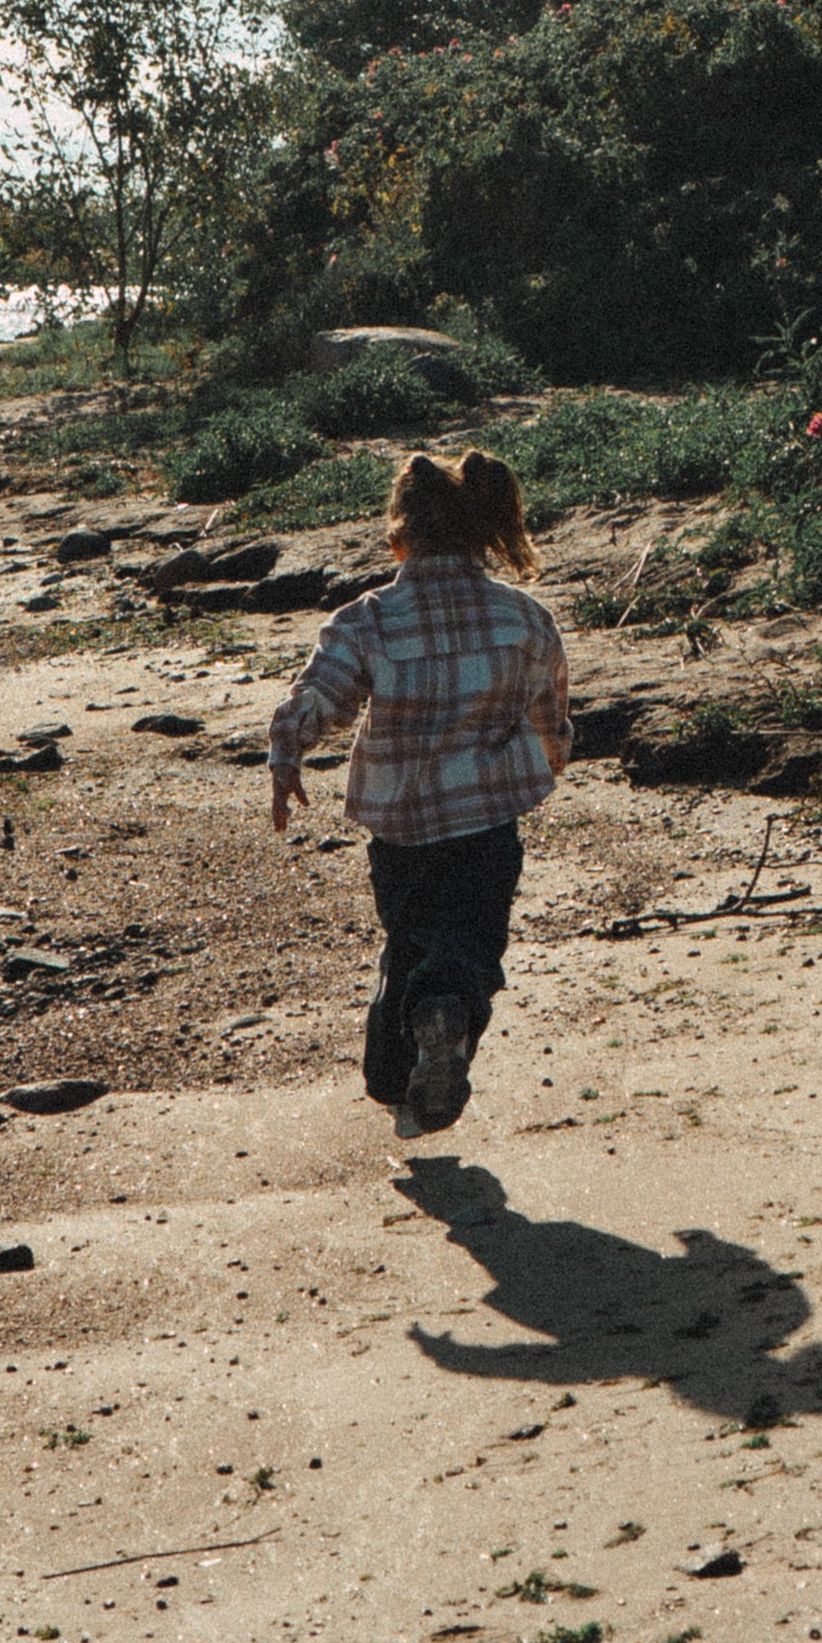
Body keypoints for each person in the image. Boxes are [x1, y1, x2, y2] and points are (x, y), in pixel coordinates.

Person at [267, 446, 569, 1141]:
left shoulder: (368, 618)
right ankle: (444, 1026)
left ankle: (394, 1077)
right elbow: (550, 716)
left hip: (400, 828)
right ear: (483, 531)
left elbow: (321, 697)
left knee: (409, 942)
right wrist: (546, 766)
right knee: (470, 950)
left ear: (399, 537)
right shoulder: (524, 618)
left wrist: (287, 757)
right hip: (487, 823)